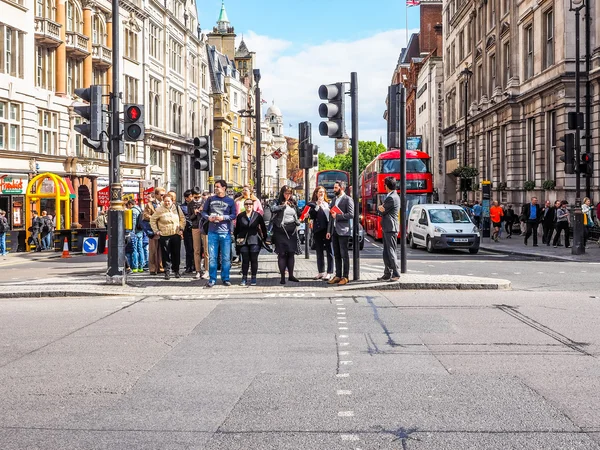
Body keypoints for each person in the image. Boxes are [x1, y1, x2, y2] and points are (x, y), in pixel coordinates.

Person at [202, 180, 236, 288]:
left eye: (218, 187)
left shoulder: (230, 201)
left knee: (225, 258)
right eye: (215, 187)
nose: (216, 188)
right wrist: (208, 217)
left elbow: (234, 214)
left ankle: (225, 278)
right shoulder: (210, 199)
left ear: (224, 188)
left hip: (225, 232)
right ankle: (212, 279)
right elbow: (203, 212)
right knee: (212, 257)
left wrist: (223, 217)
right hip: (212, 232)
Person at [150, 193, 186, 279]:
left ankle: (176, 270)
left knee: (176, 253)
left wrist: (181, 228)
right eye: (165, 201)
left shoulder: (177, 208)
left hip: (175, 233)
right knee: (165, 254)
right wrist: (156, 231)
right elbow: (152, 220)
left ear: (172, 201)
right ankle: (167, 271)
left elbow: (182, 219)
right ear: (163, 201)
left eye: (168, 201)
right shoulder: (159, 210)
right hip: (164, 234)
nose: (167, 203)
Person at [234, 199, 268, 286]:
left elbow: (263, 227)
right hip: (243, 240)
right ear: (244, 206)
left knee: (254, 259)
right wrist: (236, 240)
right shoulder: (240, 216)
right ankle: (244, 277)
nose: (248, 205)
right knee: (245, 260)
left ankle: (253, 277)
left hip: (254, 240)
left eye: (250, 204)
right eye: (246, 204)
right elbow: (237, 229)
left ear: (253, 205)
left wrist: (265, 238)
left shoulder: (257, 215)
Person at [271, 186, 301, 285]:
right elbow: (272, 209)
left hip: (291, 230)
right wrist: (282, 206)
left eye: (289, 193)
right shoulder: (277, 201)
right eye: (286, 193)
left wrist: (303, 215)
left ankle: (291, 275)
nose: (288, 195)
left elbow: (298, 214)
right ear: (282, 193)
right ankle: (283, 277)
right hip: (280, 230)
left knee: (291, 253)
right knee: (282, 253)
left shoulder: (293, 203)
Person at [326, 180, 354, 286]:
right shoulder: (334, 200)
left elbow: (351, 215)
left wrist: (337, 216)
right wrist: (329, 231)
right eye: (334, 188)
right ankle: (337, 275)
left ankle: (345, 277)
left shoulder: (348, 200)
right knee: (336, 255)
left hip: (344, 231)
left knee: (344, 255)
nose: (334, 190)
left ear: (342, 188)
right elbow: (330, 216)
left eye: (336, 188)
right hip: (334, 231)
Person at [377, 176, 400, 281]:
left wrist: (381, 208)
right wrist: (381, 208)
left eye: (385, 185)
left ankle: (396, 273)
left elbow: (382, 210)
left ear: (386, 186)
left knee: (390, 251)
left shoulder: (391, 198)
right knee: (386, 252)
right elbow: (381, 209)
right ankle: (387, 273)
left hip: (390, 227)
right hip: (388, 227)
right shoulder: (392, 196)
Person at [308, 186, 334, 281]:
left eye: (323, 192)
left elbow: (330, 218)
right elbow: (312, 216)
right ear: (316, 193)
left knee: (329, 251)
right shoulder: (313, 204)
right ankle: (321, 272)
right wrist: (317, 206)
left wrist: (330, 230)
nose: (321, 193)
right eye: (319, 192)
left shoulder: (328, 204)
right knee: (319, 252)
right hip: (318, 230)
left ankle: (329, 272)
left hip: (327, 230)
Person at [143, 189, 165, 274]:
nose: (163, 196)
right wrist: (154, 217)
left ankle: (161, 267)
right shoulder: (150, 205)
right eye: (161, 195)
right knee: (153, 249)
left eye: (164, 194)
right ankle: (152, 268)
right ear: (156, 195)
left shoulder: (165, 204)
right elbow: (145, 215)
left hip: (163, 229)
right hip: (153, 229)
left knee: (161, 249)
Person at [125, 199, 144, 273]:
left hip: (135, 233)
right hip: (140, 232)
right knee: (140, 249)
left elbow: (133, 223)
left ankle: (135, 267)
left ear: (130, 204)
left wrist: (131, 233)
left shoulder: (132, 211)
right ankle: (141, 267)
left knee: (134, 250)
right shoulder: (139, 209)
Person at [180, 189, 195, 274]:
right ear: (186, 198)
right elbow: (184, 219)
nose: (192, 198)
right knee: (189, 249)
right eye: (190, 196)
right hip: (187, 230)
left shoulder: (196, 205)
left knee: (197, 249)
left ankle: (196, 266)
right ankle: (189, 266)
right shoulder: (182, 207)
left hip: (196, 229)